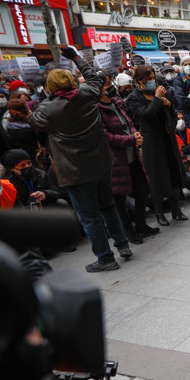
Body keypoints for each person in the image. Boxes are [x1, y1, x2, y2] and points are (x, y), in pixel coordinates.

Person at [29, 47, 131, 272]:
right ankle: (123, 245)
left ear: (50, 87)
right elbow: (94, 76)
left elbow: (34, 121)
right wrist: (75, 57)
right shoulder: (88, 92)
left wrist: (46, 96)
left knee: (90, 217)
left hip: (75, 171)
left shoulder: (48, 108)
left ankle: (105, 258)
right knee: (108, 205)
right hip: (102, 162)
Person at [98, 73, 158, 243]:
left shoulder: (117, 103)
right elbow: (105, 137)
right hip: (115, 160)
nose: (110, 87)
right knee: (119, 199)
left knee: (143, 190)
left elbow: (129, 124)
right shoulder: (96, 110)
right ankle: (128, 231)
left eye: (110, 83)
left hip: (131, 155)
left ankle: (141, 225)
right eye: (107, 84)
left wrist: (134, 135)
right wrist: (130, 139)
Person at [126, 65, 188, 226]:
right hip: (152, 143)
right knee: (156, 177)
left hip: (167, 139)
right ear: (140, 81)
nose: (153, 81)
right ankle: (159, 213)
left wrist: (168, 105)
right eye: (149, 79)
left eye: (153, 78)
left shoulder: (158, 92)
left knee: (173, 172)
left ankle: (176, 210)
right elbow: (146, 115)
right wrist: (158, 99)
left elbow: (172, 115)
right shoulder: (133, 98)